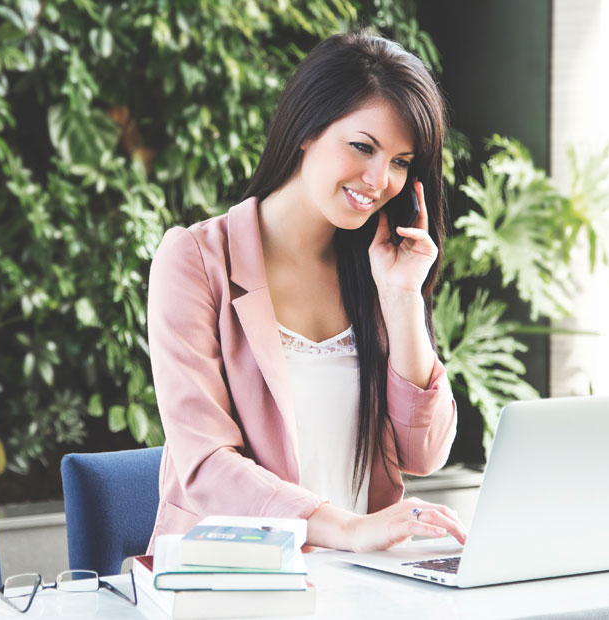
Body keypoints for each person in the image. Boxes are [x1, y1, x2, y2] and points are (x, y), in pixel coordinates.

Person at [145, 31, 468, 554]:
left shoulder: (378, 268)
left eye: (401, 161)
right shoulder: (196, 260)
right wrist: (348, 528)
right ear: (305, 130)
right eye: (362, 147)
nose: (379, 178)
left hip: (363, 582)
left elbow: (424, 453)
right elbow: (205, 464)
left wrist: (403, 298)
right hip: (234, 579)